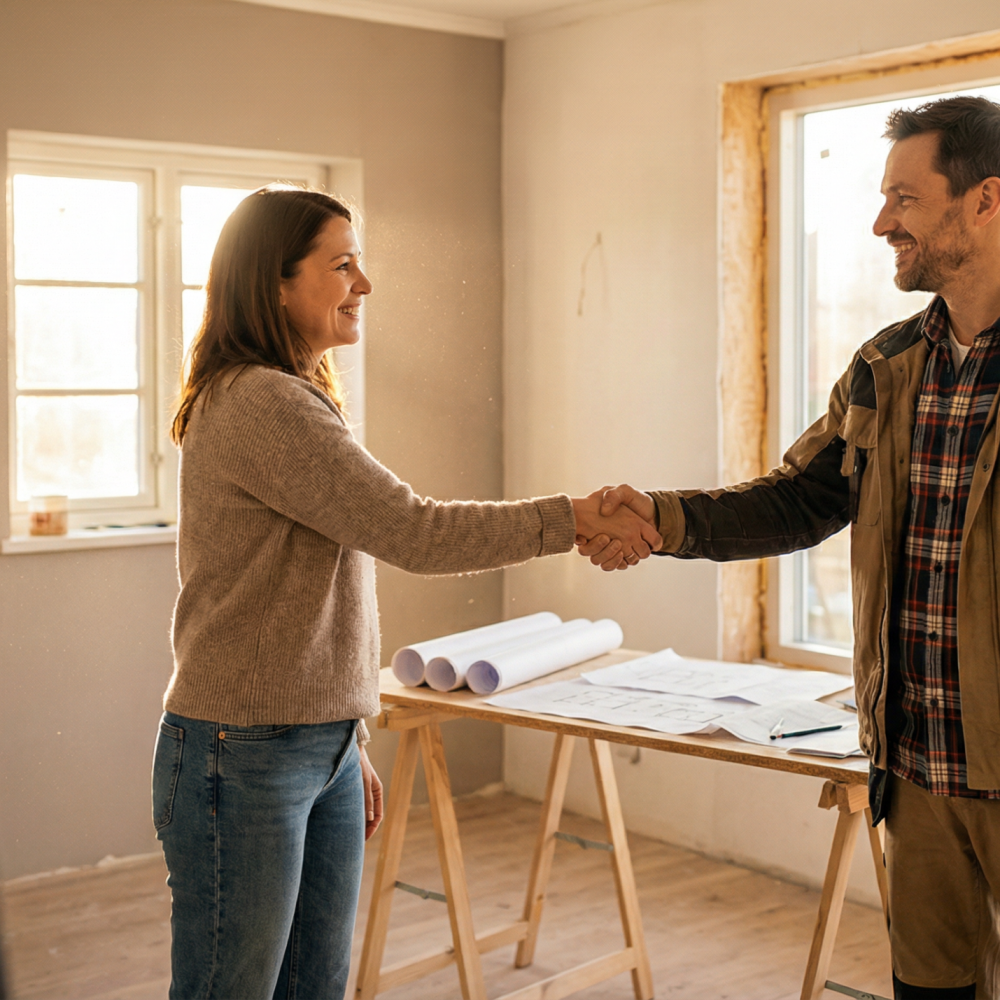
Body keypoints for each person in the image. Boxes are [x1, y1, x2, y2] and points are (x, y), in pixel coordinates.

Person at [155, 186, 660, 1000]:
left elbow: (309, 603)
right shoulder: (261, 400)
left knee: (313, 988)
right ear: (276, 284)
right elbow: (413, 531)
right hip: (241, 756)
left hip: (309, 746)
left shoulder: (295, 392)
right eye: (342, 264)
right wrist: (570, 517)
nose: (365, 283)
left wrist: (342, 740)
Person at [581, 95, 1000, 1000]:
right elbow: (804, 499)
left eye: (905, 198)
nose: (881, 221)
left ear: (985, 201)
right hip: (920, 768)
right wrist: (658, 516)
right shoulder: (887, 367)